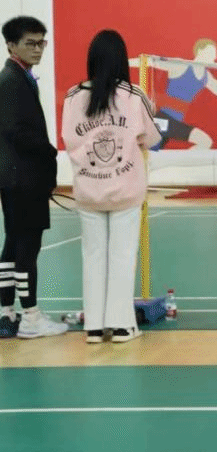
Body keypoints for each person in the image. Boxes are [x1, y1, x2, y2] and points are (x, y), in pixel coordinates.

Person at [61, 29, 162, 343]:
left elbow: (69, 139)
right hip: (125, 191)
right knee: (122, 256)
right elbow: (151, 138)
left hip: (89, 191)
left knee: (93, 257)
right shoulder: (134, 96)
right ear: (121, 60)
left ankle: (93, 327)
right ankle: (121, 326)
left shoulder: (73, 97)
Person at [0, 15, 66, 339]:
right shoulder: (11, 81)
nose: (38, 49)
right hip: (24, 178)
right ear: (11, 45)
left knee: (13, 244)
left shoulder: (19, 76)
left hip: (15, 178)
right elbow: (16, 131)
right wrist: (49, 151)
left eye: (42, 43)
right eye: (31, 43)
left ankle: (6, 313)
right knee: (27, 245)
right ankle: (31, 317)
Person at [138, 39, 217, 149]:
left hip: (172, 122)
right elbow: (148, 62)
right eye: (212, 53)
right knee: (205, 141)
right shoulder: (181, 65)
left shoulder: (205, 76)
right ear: (200, 51)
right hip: (163, 120)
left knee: (151, 153)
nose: (215, 57)